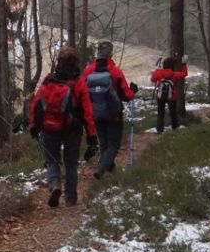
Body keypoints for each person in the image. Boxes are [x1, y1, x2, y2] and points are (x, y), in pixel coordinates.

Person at [29, 47, 94, 207]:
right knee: (71, 163)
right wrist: (92, 136)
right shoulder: (79, 82)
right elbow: (88, 111)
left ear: (59, 62)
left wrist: (33, 126)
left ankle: (55, 185)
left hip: (49, 128)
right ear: (76, 63)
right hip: (73, 129)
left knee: (52, 161)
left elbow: (35, 104)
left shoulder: (49, 80)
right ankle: (71, 199)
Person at [77, 40, 138, 179]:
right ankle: (101, 169)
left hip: (96, 113)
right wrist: (133, 90)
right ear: (110, 54)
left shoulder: (88, 71)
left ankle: (110, 172)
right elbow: (126, 95)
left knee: (104, 143)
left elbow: (82, 92)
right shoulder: (115, 71)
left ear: (98, 53)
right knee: (113, 145)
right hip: (113, 114)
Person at [150, 55, 188, 133]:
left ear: (164, 65)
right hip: (172, 96)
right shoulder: (174, 74)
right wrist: (184, 64)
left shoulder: (159, 73)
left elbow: (152, 79)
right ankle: (175, 127)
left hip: (160, 96)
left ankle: (159, 129)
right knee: (173, 112)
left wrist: (156, 70)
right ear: (172, 66)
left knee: (161, 113)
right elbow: (184, 74)